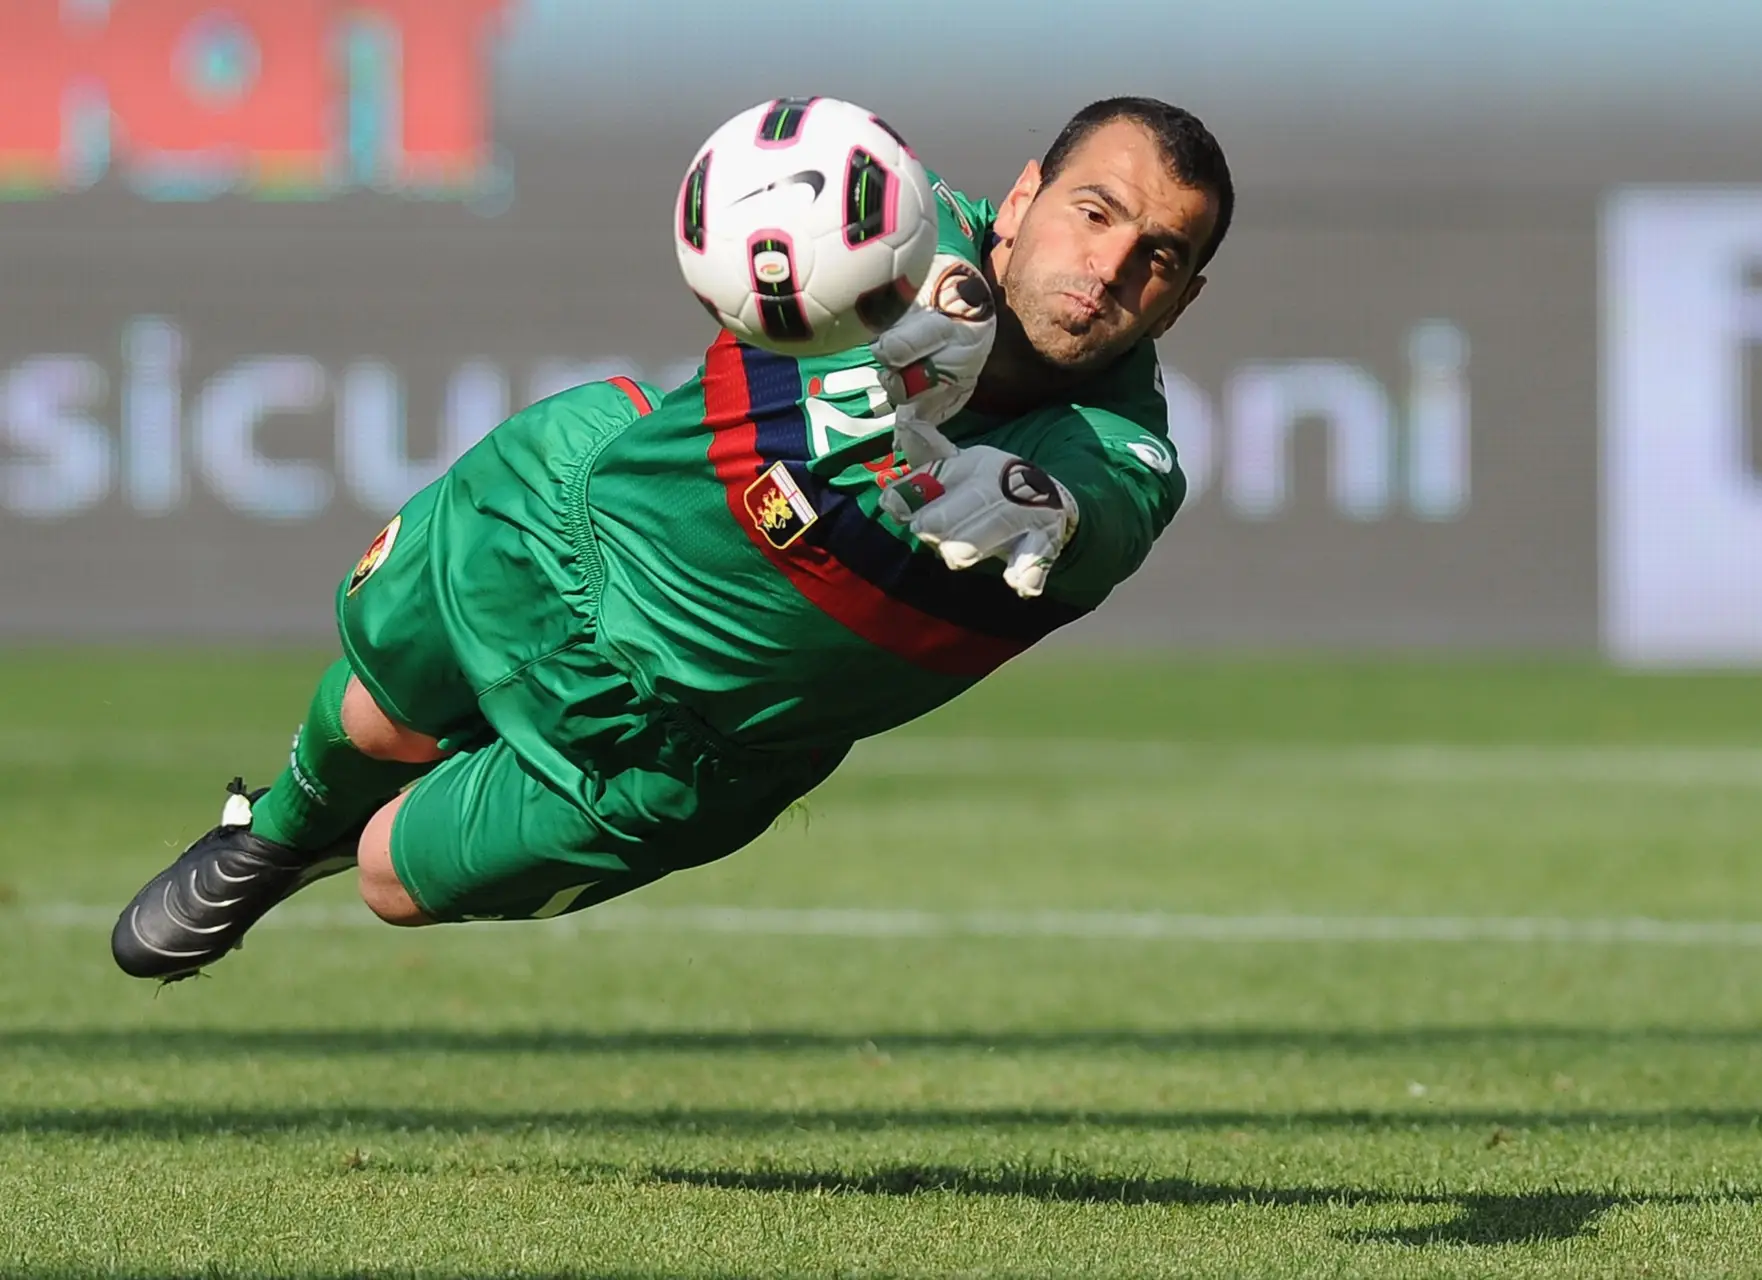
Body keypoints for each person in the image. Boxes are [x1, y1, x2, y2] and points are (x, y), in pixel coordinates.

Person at [111, 95, 1235, 980]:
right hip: (565, 529)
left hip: (687, 751)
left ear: (1183, 299)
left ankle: (335, 835)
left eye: (1161, 255)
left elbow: (1104, 509)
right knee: (377, 713)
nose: (1111, 265)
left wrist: (1045, 504)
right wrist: (915, 315)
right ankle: (272, 833)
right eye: (1094, 211)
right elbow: (809, 198)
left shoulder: (1123, 452)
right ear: (1028, 192)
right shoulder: (891, 218)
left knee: (388, 876)